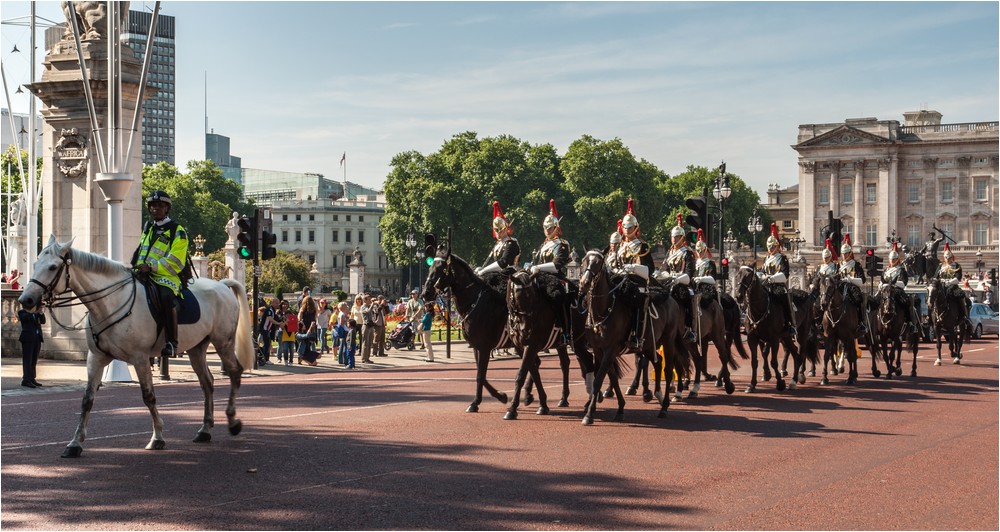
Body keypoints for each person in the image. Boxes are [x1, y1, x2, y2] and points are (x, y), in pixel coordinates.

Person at [131, 190, 189, 358]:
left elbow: (176, 260)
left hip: (166, 277)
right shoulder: (148, 227)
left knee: (166, 298)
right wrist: (136, 265)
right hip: (143, 274)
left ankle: (172, 342)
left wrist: (151, 267)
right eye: (153, 206)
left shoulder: (177, 230)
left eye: (160, 206)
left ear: (167, 208)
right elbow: (141, 251)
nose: (156, 209)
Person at [528, 199, 574, 343]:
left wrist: (538, 267)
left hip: (555, 278)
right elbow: (536, 263)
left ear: (556, 227)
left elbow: (557, 265)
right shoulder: (543, 245)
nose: (547, 230)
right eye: (545, 228)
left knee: (558, 297)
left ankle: (566, 332)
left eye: (550, 228)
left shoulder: (562, 244)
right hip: (538, 277)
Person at [614, 197, 657, 349]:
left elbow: (649, 270)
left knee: (638, 301)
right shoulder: (619, 246)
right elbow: (613, 264)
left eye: (630, 227)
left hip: (636, 283)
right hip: (619, 280)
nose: (627, 230)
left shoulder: (642, 246)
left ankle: (637, 336)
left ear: (636, 228)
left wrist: (632, 268)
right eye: (625, 227)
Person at [659, 212, 697, 343]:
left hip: (683, 283)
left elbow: (689, 273)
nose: (674, 239)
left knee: (687, 297)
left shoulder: (688, 253)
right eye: (672, 237)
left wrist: (677, 278)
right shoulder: (670, 252)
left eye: (677, 237)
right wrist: (664, 275)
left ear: (682, 237)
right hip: (670, 282)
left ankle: (689, 328)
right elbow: (665, 269)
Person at [881, 242, 920, 334]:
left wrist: (892, 284)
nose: (893, 261)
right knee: (874, 302)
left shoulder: (901, 270)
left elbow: (903, 283)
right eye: (891, 259)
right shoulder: (885, 271)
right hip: (886, 291)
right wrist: (882, 285)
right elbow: (882, 281)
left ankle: (911, 323)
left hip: (897, 292)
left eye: (894, 259)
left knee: (907, 304)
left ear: (897, 259)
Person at [476, 200, 520, 275]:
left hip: (510, 276)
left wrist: (484, 271)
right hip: (498, 274)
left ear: (506, 229)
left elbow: (504, 262)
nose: (498, 233)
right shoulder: (498, 244)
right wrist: (482, 269)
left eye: (501, 230)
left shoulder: (511, 243)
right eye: (496, 230)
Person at [838, 232, 869, 337]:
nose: (844, 256)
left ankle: (861, 322)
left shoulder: (856, 265)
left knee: (858, 300)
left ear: (850, 253)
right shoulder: (838, 265)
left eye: (846, 253)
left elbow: (862, 280)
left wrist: (850, 279)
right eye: (842, 253)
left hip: (852, 288)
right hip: (840, 288)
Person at [936, 242, 972, 326]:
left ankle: (964, 316)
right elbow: (936, 276)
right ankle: (930, 318)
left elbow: (958, 278)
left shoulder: (956, 265)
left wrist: (949, 282)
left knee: (961, 297)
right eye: (946, 258)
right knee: (932, 298)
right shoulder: (941, 266)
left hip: (952, 286)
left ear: (952, 257)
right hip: (942, 287)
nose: (948, 260)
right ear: (944, 258)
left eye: (949, 258)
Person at [18, 302, 45, 388]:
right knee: (27, 360)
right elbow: (26, 319)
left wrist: (40, 312)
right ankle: (26, 379)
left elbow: (43, 321)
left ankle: (32, 378)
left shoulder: (36, 313)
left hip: (37, 338)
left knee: (34, 360)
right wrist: (32, 311)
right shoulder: (22, 312)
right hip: (27, 338)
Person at [260, 297, 282, 364]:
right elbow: (270, 318)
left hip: (267, 330)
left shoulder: (273, 310)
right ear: (272, 303)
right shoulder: (269, 310)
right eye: (277, 303)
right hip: (264, 329)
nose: (278, 304)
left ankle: (264, 358)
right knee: (266, 344)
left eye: (278, 303)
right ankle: (266, 359)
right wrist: (278, 323)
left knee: (268, 344)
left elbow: (275, 318)